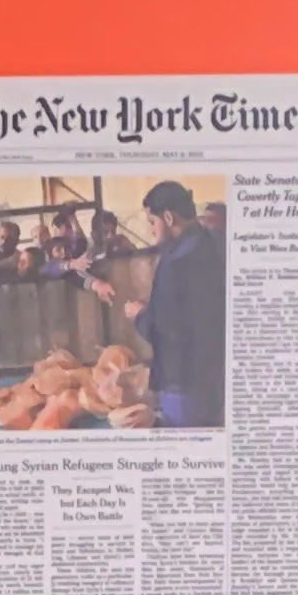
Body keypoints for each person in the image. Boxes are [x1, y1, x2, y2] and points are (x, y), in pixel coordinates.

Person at [114, 182, 225, 427]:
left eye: (152, 222)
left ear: (168, 217)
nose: (152, 230)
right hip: (215, 374)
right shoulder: (212, 243)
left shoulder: (177, 262)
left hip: (183, 381)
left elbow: (165, 331)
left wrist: (139, 315)